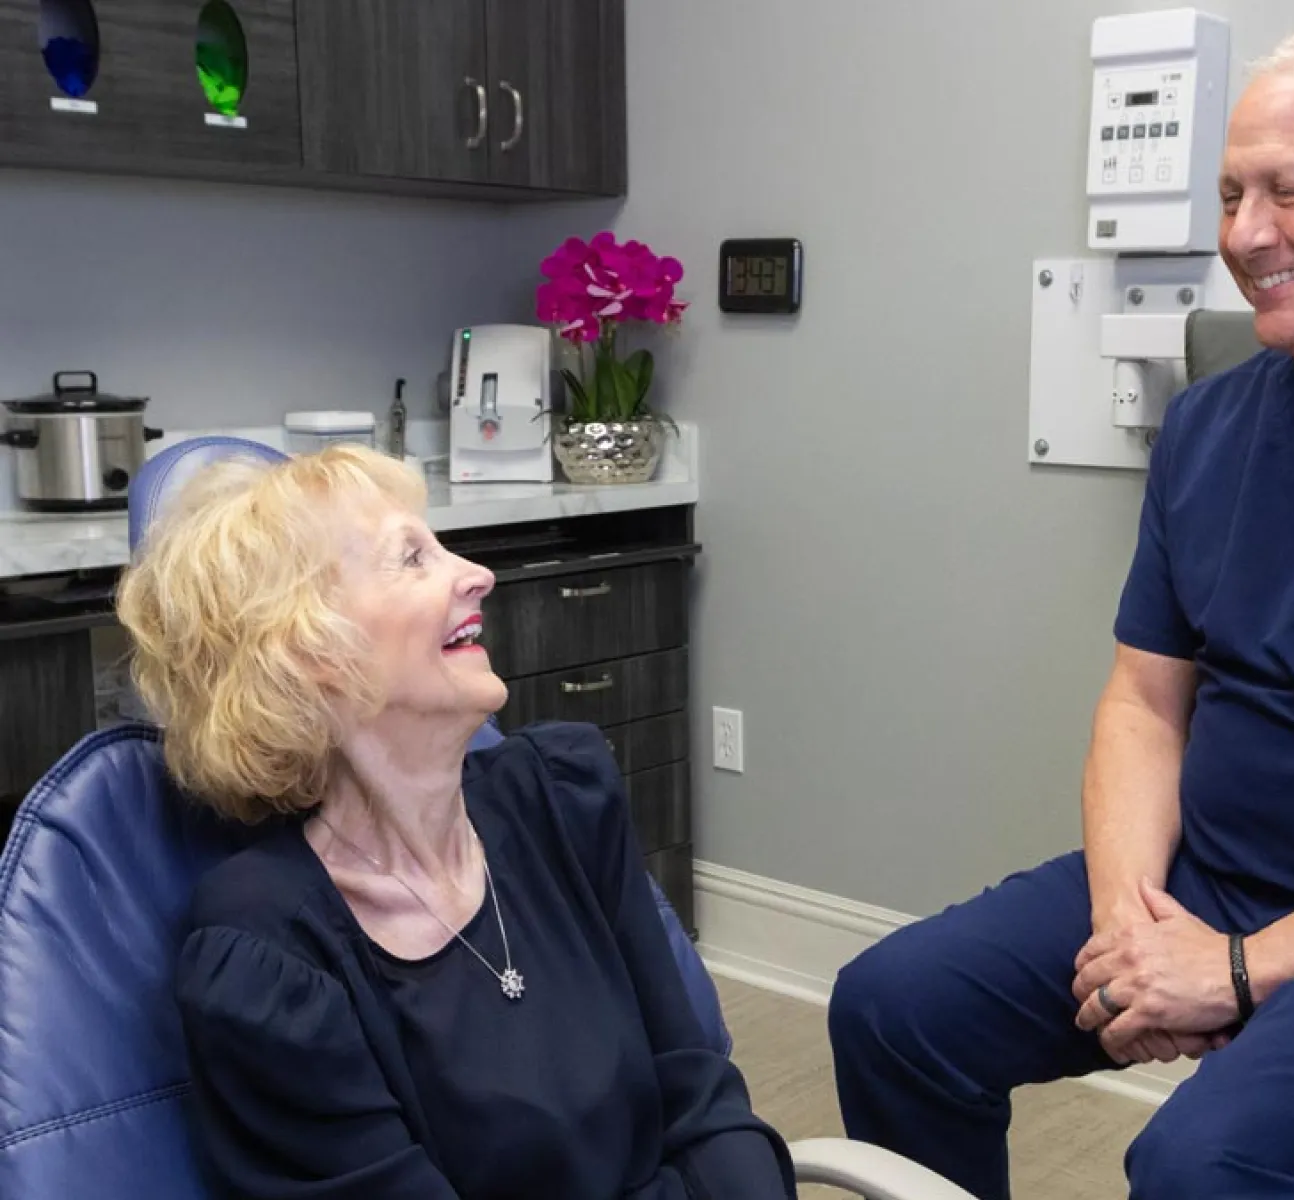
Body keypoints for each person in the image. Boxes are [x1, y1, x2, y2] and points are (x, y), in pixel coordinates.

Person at [828, 17, 1294, 1200]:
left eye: (1290, 192)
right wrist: (1130, 927)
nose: (1243, 235)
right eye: (1231, 193)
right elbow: (1143, 702)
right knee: (895, 1008)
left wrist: (1243, 969)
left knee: (1205, 1164)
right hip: (1216, 877)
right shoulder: (1208, 425)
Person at [116, 444, 795, 1200]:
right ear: (308, 650)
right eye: (412, 558)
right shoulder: (266, 960)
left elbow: (702, 1096)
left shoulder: (562, 801)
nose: (478, 574)